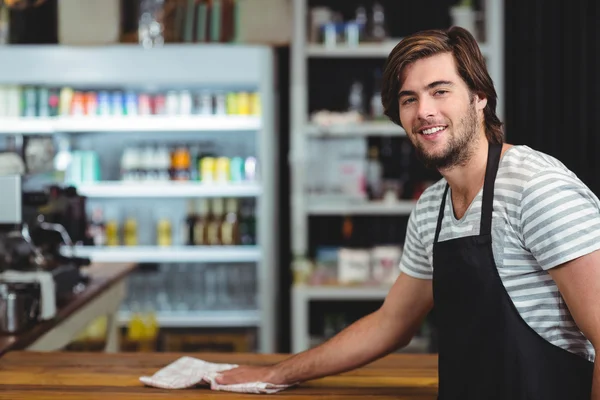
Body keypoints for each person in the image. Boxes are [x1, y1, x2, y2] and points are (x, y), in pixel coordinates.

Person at [216, 27, 600, 399]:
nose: (424, 111)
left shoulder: (537, 189)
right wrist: (276, 373)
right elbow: (391, 324)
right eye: (409, 99)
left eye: (440, 91)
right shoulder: (431, 209)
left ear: (479, 96)